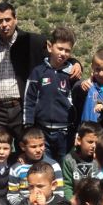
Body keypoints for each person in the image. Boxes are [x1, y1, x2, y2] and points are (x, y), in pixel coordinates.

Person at [0, 2, 81, 145]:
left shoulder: (32, 42)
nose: (4, 24)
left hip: (20, 108)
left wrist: (75, 63)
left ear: (15, 19)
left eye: (8, 19)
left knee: (26, 151)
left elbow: (57, 53)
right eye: (0, 21)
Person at [23, 26, 80, 162]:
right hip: (42, 131)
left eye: (67, 50)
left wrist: (77, 129)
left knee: (64, 164)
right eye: (60, 48)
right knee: (44, 166)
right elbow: (29, 99)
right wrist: (28, 126)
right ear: (50, 47)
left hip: (65, 133)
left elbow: (77, 103)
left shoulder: (72, 74)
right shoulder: (38, 72)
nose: (63, 53)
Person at [7, 127, 64, 205]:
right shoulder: (16, 169)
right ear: (23, 146)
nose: (38, 150)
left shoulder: (54, 166)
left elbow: (59, 193)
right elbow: (12, 196)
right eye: (33, 147)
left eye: (41, 145)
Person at [76, 47, 103, 124]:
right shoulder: (88, 85)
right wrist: (80, 85)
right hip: (86, 128)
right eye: (97, 69)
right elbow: (76, 90)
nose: (101, 74)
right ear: (92, 67)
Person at [62, 121, 100, 200]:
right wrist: (72, 201)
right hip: (76, 201)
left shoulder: (100, 158)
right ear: (79, 140)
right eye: (90, 142)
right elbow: (67, 185)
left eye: (97, 142)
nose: (94, 146)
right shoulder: (69, 160)